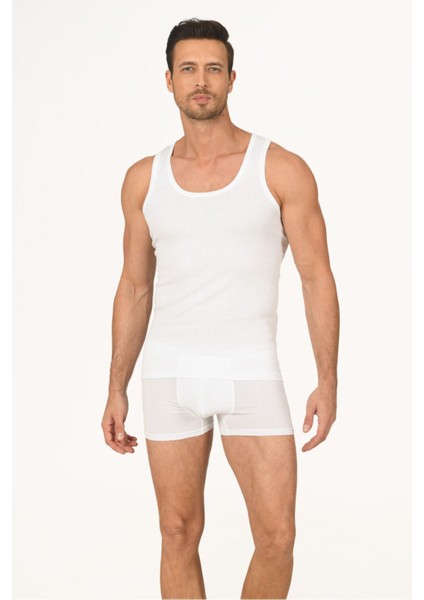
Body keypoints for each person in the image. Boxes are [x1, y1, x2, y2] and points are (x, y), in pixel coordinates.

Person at [101, 17, 339, 600]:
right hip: (170, 373)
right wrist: (115, 387)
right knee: (176, 534)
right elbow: (134, 286)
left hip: (250, 369)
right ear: (169, 80)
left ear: (232, 79)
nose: (200, 81)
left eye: (213, 69)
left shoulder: (280, 168)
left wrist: (327, 379)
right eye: (188, 69)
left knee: (277, 537)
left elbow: (316, 277)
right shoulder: (143, 180)